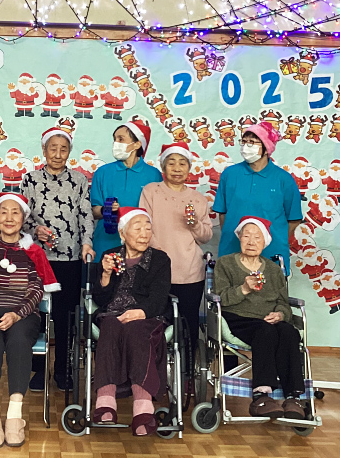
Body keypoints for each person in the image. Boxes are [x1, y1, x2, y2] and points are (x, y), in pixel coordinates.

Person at [0, 193, 60, 448]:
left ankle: (15, 415)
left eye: (15, 212)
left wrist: (18, 313)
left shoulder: (34, 251)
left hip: (23, 313)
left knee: (19, 340)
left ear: (24, 218)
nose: (8, 217)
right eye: (3, 212)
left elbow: (37, 291)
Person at [21, 127, 94, 391]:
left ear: (69, 153)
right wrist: (34, 230)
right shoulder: (30, 180)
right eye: (53, 148)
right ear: (44, 150)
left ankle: (63, 369)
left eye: (63, 149)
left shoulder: (79, 180)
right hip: (37, 258)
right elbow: (21, 216)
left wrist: (87, 243)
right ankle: (39, 370)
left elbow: (85, 214)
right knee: (36, 315)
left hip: (69, 259)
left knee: (66, 318)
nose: (58, 154)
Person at [213, 216, 306, 419]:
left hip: (269, 319)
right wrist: (244, 289)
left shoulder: (273, 270)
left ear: (265, 242)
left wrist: (280, 314)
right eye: (246, 236)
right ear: (239, 238)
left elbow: (283, 302)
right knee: (265, 332)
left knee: (289, 332)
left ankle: (293, 396)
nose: (251, 241)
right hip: (238, 318)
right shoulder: (225, 264)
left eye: (257, 237)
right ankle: (261, 395)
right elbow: (221, 299)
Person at [92, 207, 171, 436]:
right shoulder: (110, 256)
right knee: (110, 326)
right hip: (113, 314)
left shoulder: (160, 259)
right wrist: (105, 275)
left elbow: (160, 297)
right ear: (122, 233)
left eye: (148, 228)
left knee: (136, 331)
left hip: (147, 316)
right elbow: (99, 299)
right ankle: (105, 402)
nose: (144, 234)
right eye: (137, 228)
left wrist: (141, 312)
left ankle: (143, 408)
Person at [140, 142, 213, 381]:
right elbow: (144, 227)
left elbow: (205, 236)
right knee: (155, 322)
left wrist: (194, 224)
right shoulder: (151, 191)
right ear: (163, 166)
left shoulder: (198, 199)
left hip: (189, 271)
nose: (177, 168)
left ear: (189, 168)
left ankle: (187, 373)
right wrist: (158, 257)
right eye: (171, 163)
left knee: (188, 323)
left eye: (182, 163)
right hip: (156, 271)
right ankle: (154, 372)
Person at [213, 121, 302, 269]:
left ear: (267, 148)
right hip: (232, 252)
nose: (246, 146)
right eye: (244, 141)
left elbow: (294, 219)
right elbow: (222, 214)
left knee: (270, 284)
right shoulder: (230, 174)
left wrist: (268, 240)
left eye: (252, 142)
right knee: (230, 284)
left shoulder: (284, 179)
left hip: (270, 256)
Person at [90, 120, 162, 258]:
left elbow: (158, 213)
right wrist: (106, 210)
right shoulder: (102, 172)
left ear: (137, 144)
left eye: (121, 139)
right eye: (115, 139)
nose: (115, 143)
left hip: (140, 245)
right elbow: (93, 211)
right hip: (105, 243)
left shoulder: (153, 175)